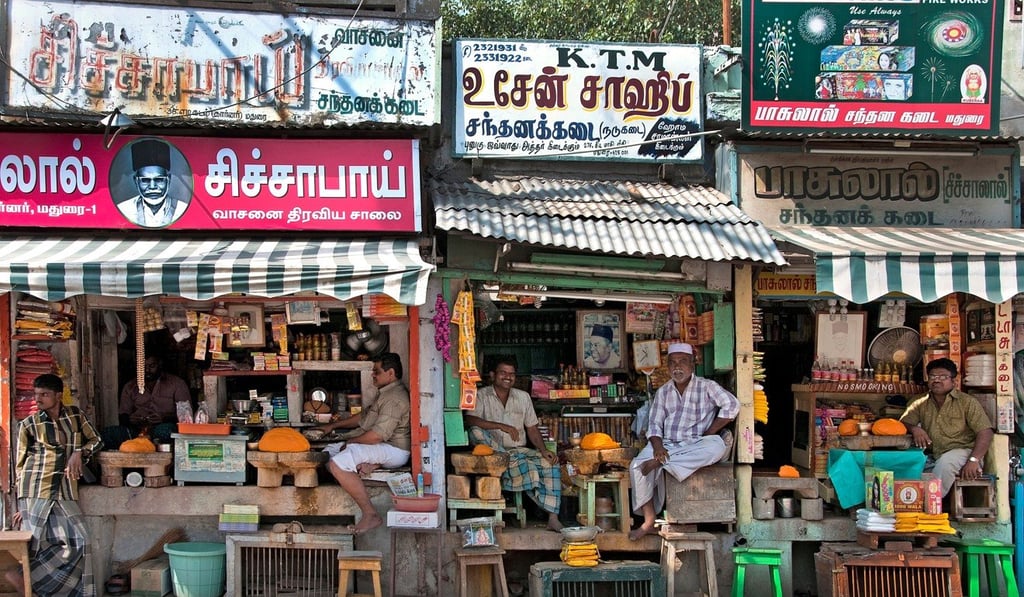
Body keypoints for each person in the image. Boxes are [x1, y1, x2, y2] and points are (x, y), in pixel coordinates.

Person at [628, 342, 739, 540]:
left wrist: (711, 431)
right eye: (672, 363)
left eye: (682, 362)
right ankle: (648, 520)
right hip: (667, 445)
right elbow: (654, 425)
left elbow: (732, 406)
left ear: (692, 365)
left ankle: (663, 462)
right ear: (668, 366)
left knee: (716, 446)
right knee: (636, 466)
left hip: (696, 444)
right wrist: (658, 447)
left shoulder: (707, 387)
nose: (677, 367)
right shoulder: (663, 392)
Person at [7, 374, 104, 596]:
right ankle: (25, 582)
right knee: (36, 544)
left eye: (44, 394)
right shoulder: (29, 424)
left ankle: (25, 578)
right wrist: (19, 504)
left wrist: (80, 452)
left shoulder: (76, 416)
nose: (38, 399)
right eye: (36, 394)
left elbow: (96, 440)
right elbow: (20, 465)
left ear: (58, 396)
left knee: (80, 541)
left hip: (65, 489)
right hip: (35, 490)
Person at [317, 352, 411, 534]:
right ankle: (370, 465)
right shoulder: (385, 393)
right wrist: (333, 426)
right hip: (381, 447)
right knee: (328, 454)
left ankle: (370, 514)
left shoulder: (394, 398)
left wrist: (351, 441)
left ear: (390, 373)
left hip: (394, 450)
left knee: (340, 462)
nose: (372, 375)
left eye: (376, 371)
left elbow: (376, 436)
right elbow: (364, 417)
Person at [465, 357, 563, 531]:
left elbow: (532, 428)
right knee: (475, 431)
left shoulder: (523, 397)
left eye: (512, 374)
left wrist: (543, 450)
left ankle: (552, 518)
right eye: (503, 372)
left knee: (551, 463)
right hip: (494, 453)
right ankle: (508, 459)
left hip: (518, 452)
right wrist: (500, 426)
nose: (508, 377)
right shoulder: (481, 395)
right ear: (493, 375)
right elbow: (470, 419)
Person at [899, 358, 994, 497]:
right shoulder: (919, 401)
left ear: (954, 381)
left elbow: (985, 432)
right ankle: (906, 502)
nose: (937, 380)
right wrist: (915, 429)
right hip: (932, 454)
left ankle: (930, 502)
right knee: (907, 463)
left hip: (963, 451)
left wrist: (974, 460)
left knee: (946, 463)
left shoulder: (967, 402)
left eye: (943, 376)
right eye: (933, 376)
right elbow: (904, 421)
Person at [111, 355, 192, 445]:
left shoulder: (177, 384)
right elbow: (123, 416)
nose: (147, 370)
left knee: (164, 431)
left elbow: (187, 416)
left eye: (152, 366)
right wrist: (130, 419)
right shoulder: (130, 386)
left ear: (159, 365)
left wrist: (163, 418)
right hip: (137, 432)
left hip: (164, 428)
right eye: (143, 367)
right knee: (110, 433)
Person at [115, 139, 189, 228]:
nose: (152, 187)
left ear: (168, 180)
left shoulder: (181, 209)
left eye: (159, 180)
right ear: (136, 181)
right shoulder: (125, 209)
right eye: (145, 180)